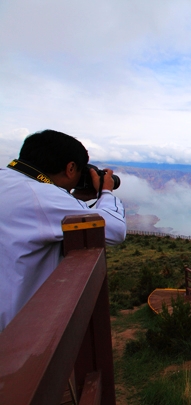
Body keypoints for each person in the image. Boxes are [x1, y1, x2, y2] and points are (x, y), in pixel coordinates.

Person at [0, 129, 127, 332]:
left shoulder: (11, 182)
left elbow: (39, 214)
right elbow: (114, 230)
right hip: (15, 334)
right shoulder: (41, 195)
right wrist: (105, 192)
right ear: (70, 168)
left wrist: (73, 200)